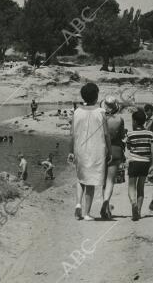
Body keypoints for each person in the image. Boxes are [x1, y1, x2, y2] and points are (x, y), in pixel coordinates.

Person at [69, 83, 110, 221]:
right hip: (96, 150)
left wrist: (71, 151)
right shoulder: (101, 112)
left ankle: (78, 204)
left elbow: (72, 135)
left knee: (81, 178)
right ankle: (86, 213)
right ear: (96, 96)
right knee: (91, 181)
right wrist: (109, 151)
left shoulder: (76, 112)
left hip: (80, 149)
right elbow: (106, 135)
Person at [126, 108, 153, 221]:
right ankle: (138, 211)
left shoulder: (130, 134)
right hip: (145, 163)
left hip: (134, 161)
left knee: (131, 186)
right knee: (141, 187)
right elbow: (152, 151)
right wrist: (152, 164)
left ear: (134, 121)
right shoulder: (149, 134)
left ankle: (133, 203)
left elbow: (128, 147)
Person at [100, 95, 126, 220]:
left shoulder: (101, 117)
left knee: (104, 181)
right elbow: (121, 136)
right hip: (115, 149)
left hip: (101, 150)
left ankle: (105, 205)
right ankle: (106, 204)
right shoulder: (119, 119)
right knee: (110, 181)